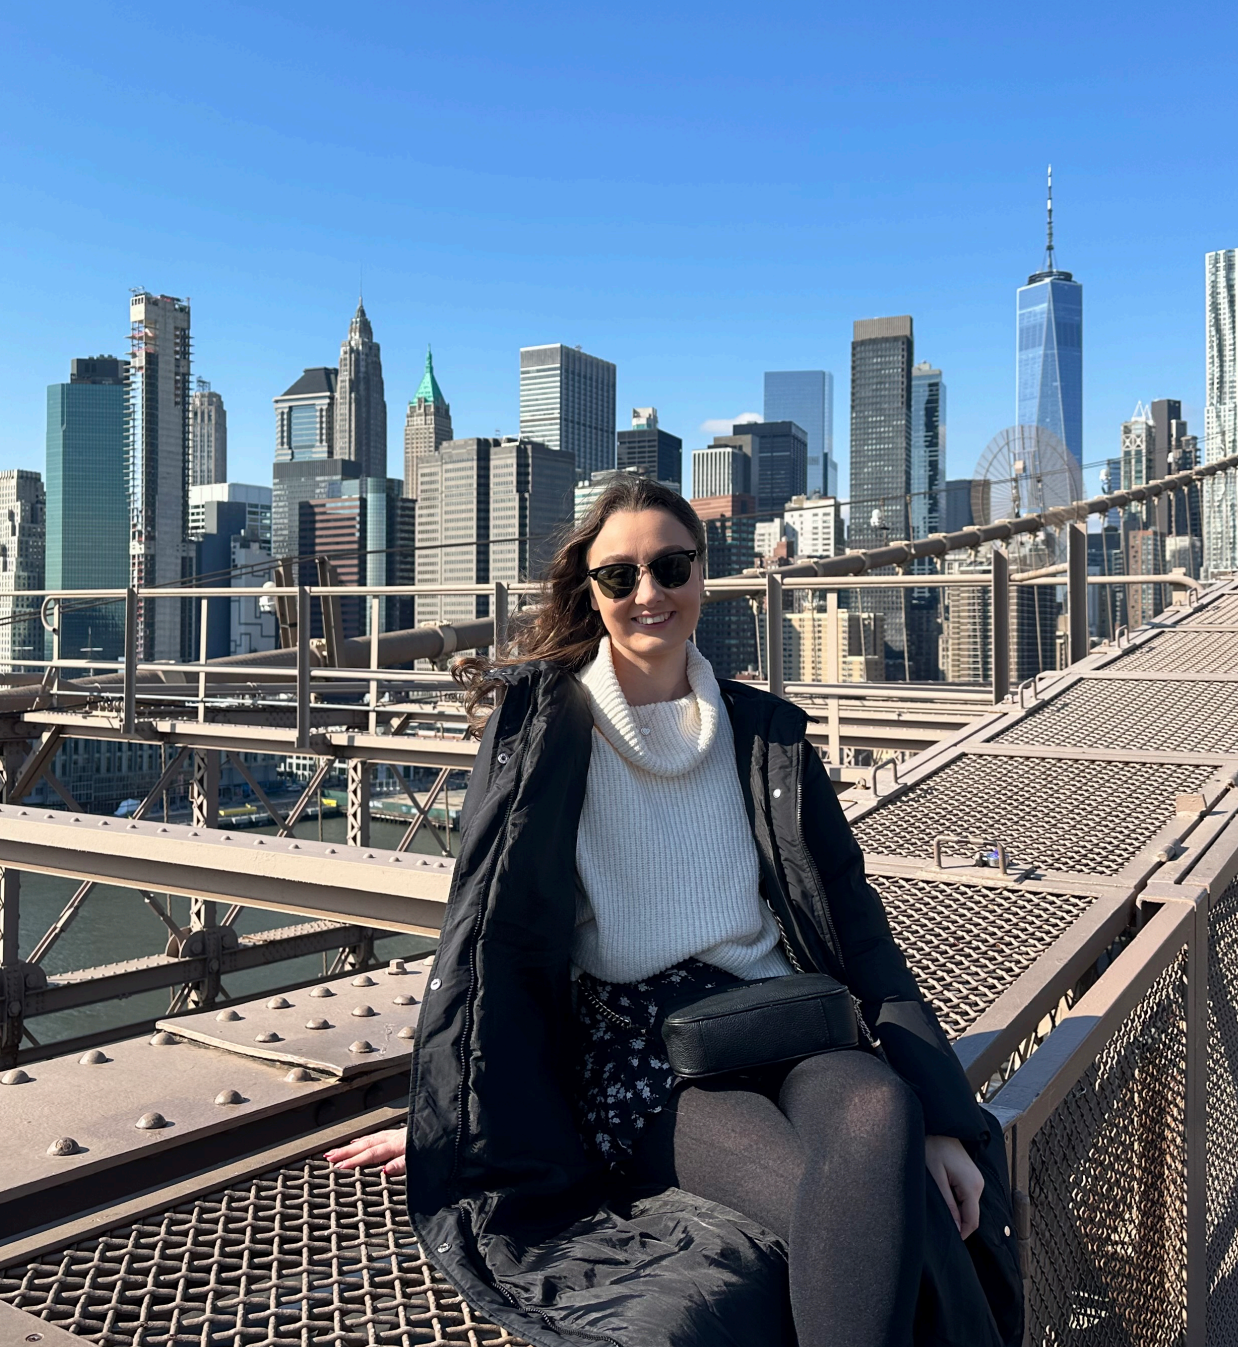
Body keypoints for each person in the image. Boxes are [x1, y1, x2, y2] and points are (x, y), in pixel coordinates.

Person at [327, 475, 1021, 1346]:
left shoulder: (766, 734)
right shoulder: (541, 732)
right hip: (644, 1055)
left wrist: (952, 1125)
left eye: (670, 566)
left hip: (788, 1020)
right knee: (875, 1206)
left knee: (885, 1115)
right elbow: (484, 940)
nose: (648, 593)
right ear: (590, 590)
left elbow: (858, 929)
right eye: (619, 577)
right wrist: (453, 1112)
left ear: (702, 574)